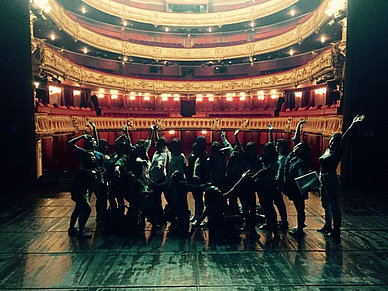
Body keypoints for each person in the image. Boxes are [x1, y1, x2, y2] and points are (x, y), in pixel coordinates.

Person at [318, 115, 365, 242]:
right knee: (324, 203)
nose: (333, 142)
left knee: (334, 205)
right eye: (332, 140)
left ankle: (336, 229)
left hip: (331, 179)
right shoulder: (328, 150)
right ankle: (327, 225)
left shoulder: (337, 152)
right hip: (322, 178)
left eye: (335, 141)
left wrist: (353, 124)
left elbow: (345, 138)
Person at [68, 126, 107, 228]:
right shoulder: (84, 152)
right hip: (85, 182)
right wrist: (81, 137)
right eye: (91, 141)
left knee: (101, 201)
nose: (93, 143)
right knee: (82, 205)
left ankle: (100, 218)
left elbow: (103, 169)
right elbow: (70, 144)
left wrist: (103, 179)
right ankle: (77, 225)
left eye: (94, 141)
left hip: (97, 181)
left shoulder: (99, 155)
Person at [283, 141, 310, 236]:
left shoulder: (300, 162)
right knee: (299, 208)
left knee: (300, 209)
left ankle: (300, 228)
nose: (295, 147)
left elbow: (302, 175)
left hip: (297, 189)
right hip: (294, 188)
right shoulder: (294, 159)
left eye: (298, 147)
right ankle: (300, 226)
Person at [68, 155, 96, 239]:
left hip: (78, 191)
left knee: (78, 209)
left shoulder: (83, 169)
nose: (93, 158)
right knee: (87, 209)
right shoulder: (84, 170)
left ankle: (72, 228)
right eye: (91, 157)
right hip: (79, 192)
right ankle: (81, 230)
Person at [268, 124, 290, 230]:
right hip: (278, 182)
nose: (276, 147)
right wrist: (271, 132)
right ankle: (283, 221)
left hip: (279, 182)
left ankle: (284, 222)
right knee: (278, 202)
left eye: (278, 146)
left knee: (279, 202)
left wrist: (276, 181)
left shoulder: (282, 158)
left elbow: (281, 172)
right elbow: (271, 144)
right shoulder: (280, 156)